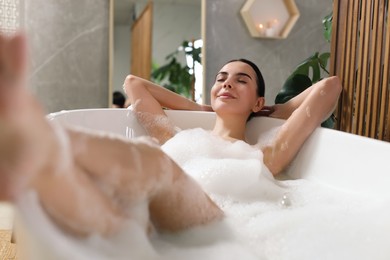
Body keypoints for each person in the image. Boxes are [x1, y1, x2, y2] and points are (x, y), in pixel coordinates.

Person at [0, 33, 342, 239]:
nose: (227, 83)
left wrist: (273, 111)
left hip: (211, 222)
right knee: (141, 166)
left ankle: (38, 147)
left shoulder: (264, 156)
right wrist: (202, 107)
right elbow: (134, 84)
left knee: (147, 164)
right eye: (221, 78)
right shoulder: (178, 136)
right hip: (160, 213)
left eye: (241, 80)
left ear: (257, 99)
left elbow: (330, 86)